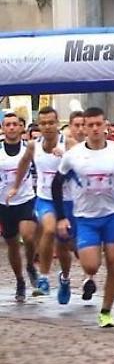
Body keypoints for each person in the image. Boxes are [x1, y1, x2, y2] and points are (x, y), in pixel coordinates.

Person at [52, 107, 114, 327]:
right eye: (90, 125)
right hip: (85, 218)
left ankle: (106, 311)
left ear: (106, 126)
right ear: (85, 127)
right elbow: (56, 184)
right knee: (91, 266)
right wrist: (61, 217)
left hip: (111, 216)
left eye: (99, 124)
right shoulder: (74, 155)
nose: (95, 129)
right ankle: (88, 277)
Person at [16, 107, 75, 302]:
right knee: (48, 230)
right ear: (38, 125)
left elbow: (82, 168)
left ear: (58, 123)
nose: (47, 127)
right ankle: (43, 278)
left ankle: (65, 278)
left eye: (51, 123)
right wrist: (15, 186)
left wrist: (65, 157)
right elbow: (24, 163)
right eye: (43, 123)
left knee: (65, 245)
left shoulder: (68, 143)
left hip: (67, 201)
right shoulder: (34, 145)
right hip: (44, 199)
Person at [0, 111, 37, 302]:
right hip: (5, 203)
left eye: (15, 124)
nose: (12, 127)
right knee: (12, 244)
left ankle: (31, 264)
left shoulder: (29, 149)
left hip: (26, 199)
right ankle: (20, 280)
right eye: (8, 124)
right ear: (3, 128)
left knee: (29, 236)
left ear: (21, 127)